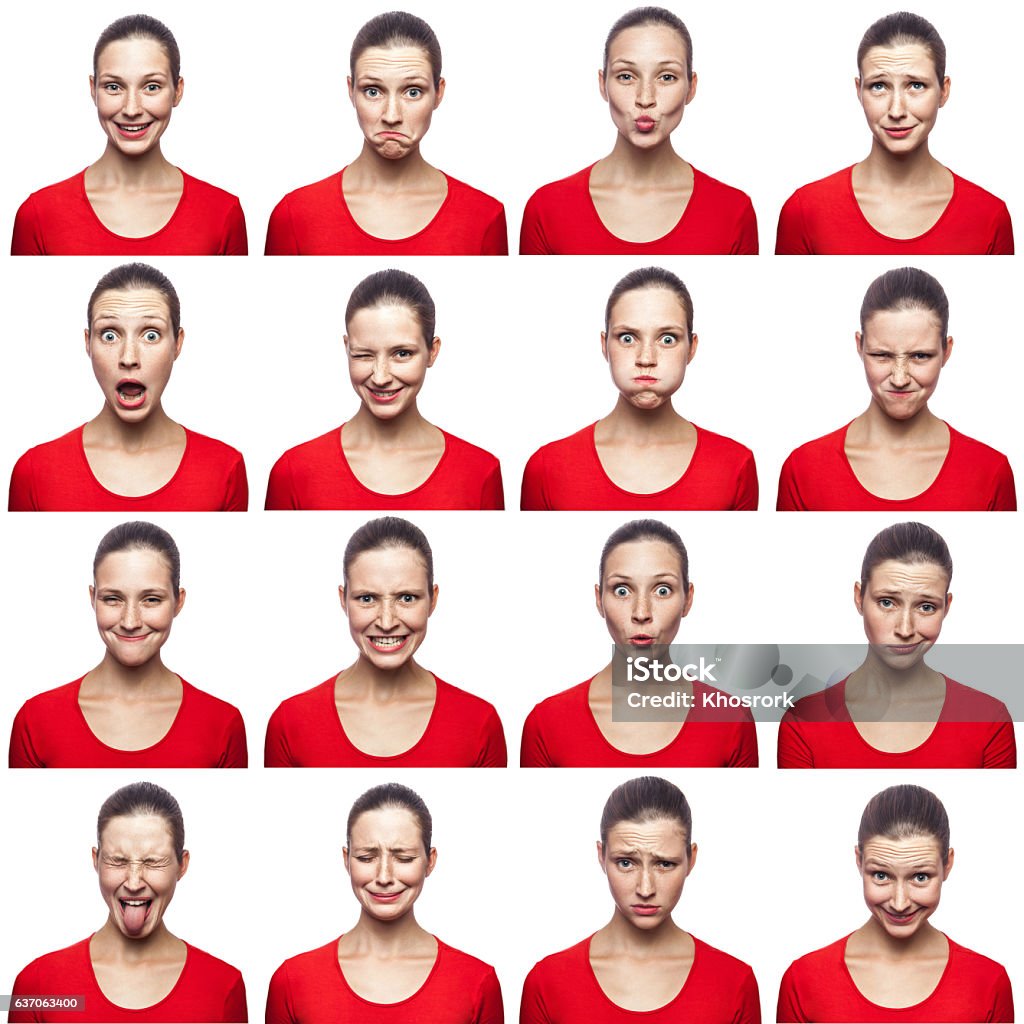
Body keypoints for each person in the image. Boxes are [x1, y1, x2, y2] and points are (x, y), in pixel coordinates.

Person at [265, 517, 506, 766]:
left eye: (407, 598)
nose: (387, 621)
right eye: (367, 598)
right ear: (343, 600)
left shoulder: (478, 723)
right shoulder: (291, 722)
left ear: (433, 600)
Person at [8, 263, 248, 511]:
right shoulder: (35, 472)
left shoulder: (225, 468)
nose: (129, 357)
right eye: (110, 335)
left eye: (151, 335)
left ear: (177, 344)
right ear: (88, 344)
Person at [521, 777, 760, 1022]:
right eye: (626, 863)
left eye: (665, 864)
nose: (645, 889)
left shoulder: (734, 982)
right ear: (601, 856)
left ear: (691, 859)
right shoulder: (548, 983)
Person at [265, 12, 506, 255]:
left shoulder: (484, 217)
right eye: (373, 91)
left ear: (438, 93)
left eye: (413, 92)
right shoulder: (294, 216)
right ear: (351, 91)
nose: (391, 116)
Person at [9, 522, 247, 768]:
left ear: (178, 602)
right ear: (93, 598)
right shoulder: (36, 719)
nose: (130, 622)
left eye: (151, 599)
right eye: (113, 599)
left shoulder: (222, 723)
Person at [519, 8, 757, 254]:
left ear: (691, 88)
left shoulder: (733, 211)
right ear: (603, 85)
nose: (645, 98)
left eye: (666, 77)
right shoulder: (547, 209)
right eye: (626, 76)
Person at [520, 520, 757, 767]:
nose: (641, 613)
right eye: (622, 590)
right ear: (599, 600)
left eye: (662, 590)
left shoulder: (731, 719)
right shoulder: (547, 723)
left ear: (688, 599)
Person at [778, 522, 1015, 768]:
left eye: (926, 607)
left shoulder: (989, 719)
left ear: (947, 607)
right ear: (859, 598)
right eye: (887, 602)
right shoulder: (803, 723)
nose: (904, 629)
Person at [777, 267, 1015, 510]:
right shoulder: (804, 469)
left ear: (947, 351)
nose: (899, 379)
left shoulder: (990, 472)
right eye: (882, 355)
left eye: (920, 356)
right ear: (860, 346)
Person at [8, 782, 247, 1022]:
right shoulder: (35, 984)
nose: (134, 883)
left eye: (153, 862)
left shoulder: (225, 986)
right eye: (118, 861)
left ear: (182, 865)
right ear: (96, 861)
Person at [775, 13, 1012, 254]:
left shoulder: (989, 216)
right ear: (859, 91)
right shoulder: (805, 211)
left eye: (916, 85)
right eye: (879, 86)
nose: (896, 110)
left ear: (944, 91)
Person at [265, 269, 502, 510]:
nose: (380, 377)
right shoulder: (294, 472)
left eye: (402, 354)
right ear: (347, 348)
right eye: (364, 355)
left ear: (433, 351)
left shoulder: (480, 472)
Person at [521, 267, 757, 510]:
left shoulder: (735, 465)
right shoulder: (547, 468)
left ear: (691, 347)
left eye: (667, 339)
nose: (646, 358)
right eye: (627, 338)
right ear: (605, 346)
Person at [266, 783, 503, 1023]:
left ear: (430, 862)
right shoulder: (293, 981)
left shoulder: (476, 981)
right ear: (347, 860)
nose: (384, 877)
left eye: (404, 858)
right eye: (366, 858)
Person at [11, 15, 246, 256]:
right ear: (93, 90)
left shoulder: (222, 213)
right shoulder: (38, 215)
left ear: (178, 91)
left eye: (152, 86)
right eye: (113, 87)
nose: (131, 109)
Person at [777, 785, 1013, 1022]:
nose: (900, 904)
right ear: (859, 861)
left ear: (947, 865)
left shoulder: (988, 982)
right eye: (881, 875)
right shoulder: (804, 980)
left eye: (920, 877)